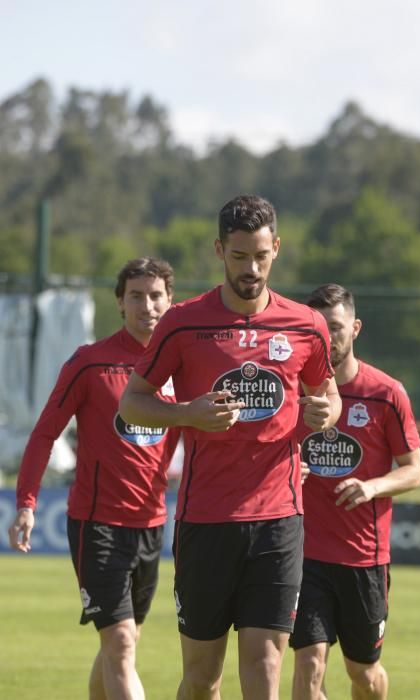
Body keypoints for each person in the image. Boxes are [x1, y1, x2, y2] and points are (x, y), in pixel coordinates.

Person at [119, 194, 342, 700]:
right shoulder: (182, 322)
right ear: (220, 250)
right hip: (205, 522)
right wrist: (185, 414)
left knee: (264, 668)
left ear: (277, 249)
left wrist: (322, 411)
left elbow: (326, 393)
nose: (252, 268)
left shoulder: (306, 325)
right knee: (202, 679)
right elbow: (132, 403)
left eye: (261, 256)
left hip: (279, 520)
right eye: (240, 257)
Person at [8, 257, 180, 700]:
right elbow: (45, 433)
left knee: (119, 647)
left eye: (156, 295)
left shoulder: (181, 371)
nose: (147, 305)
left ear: (170, 301)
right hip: (96, 524)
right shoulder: (90, 362)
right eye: (136, 296)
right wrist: (26, 502)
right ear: (120, 303)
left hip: (152, 526)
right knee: (120, 643)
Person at [290, 283, 420, 700]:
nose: (328, 337)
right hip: (303, 553)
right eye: (318, 328)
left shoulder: (386, 393)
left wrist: (372, 486)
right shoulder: (292, 391)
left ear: (356, 328)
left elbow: (415, 471)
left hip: (363, 559)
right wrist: (291, 469)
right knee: (309, 663)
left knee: (364, 675)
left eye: (336, 327)